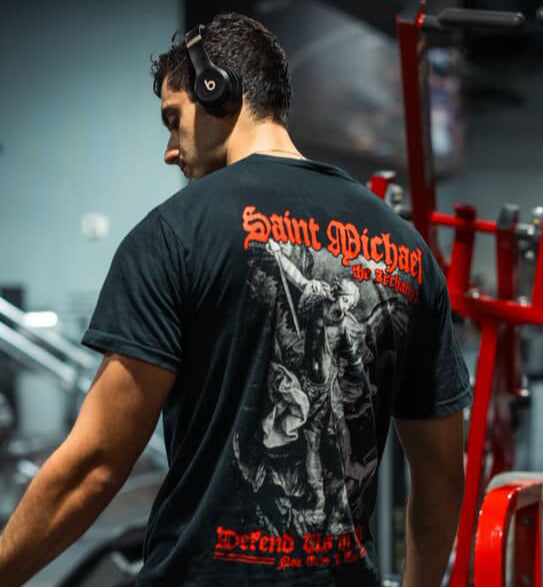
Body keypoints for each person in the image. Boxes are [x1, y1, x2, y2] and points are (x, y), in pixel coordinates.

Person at [0, 12, 471, 587]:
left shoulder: (173, 235)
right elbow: (442, 476)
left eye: (173, 120)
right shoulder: (406, 250)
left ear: (216, 90)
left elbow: (96, 466)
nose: (170, 150)